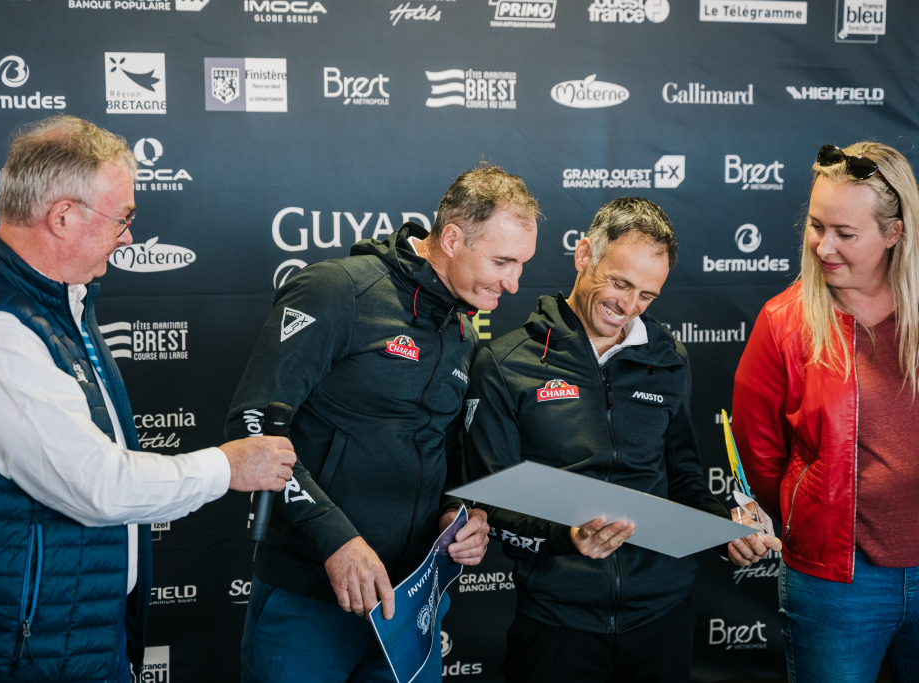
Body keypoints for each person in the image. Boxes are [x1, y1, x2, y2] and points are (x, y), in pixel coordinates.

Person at [0, 116, 297, 683]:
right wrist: (226, 467)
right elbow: (96, 485)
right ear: (62, 217)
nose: (128, 236)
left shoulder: (60, 308)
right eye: (123, 217)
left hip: (64, 637)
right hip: (4, 653)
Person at [226, 163, 539, 683]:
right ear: (452, 239)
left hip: (410, 605)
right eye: (502, 261)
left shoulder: (462, 329)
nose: (513, 282)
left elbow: (445, 448)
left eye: (522, 265)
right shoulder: (337, 290)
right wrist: (335, 542)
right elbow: (253, 426)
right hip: (310, 598)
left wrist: (460, 515)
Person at [462, 197, 780, 683]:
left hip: (662, 619)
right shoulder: (507, 364)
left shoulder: (669, 358)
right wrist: (569, 538)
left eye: (647, 295)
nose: (628, 307)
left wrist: (727, 532)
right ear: (583, 254)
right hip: (557, 624)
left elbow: (684, 481)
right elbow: (492, 504)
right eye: (620, 283)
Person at [733, 142, 919, 682]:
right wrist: (810, 514)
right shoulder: (783, 323)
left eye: (845, 233)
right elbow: (761, 457)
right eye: (816, 226)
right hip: (836, 585)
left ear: (894, 232)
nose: (823, 246)